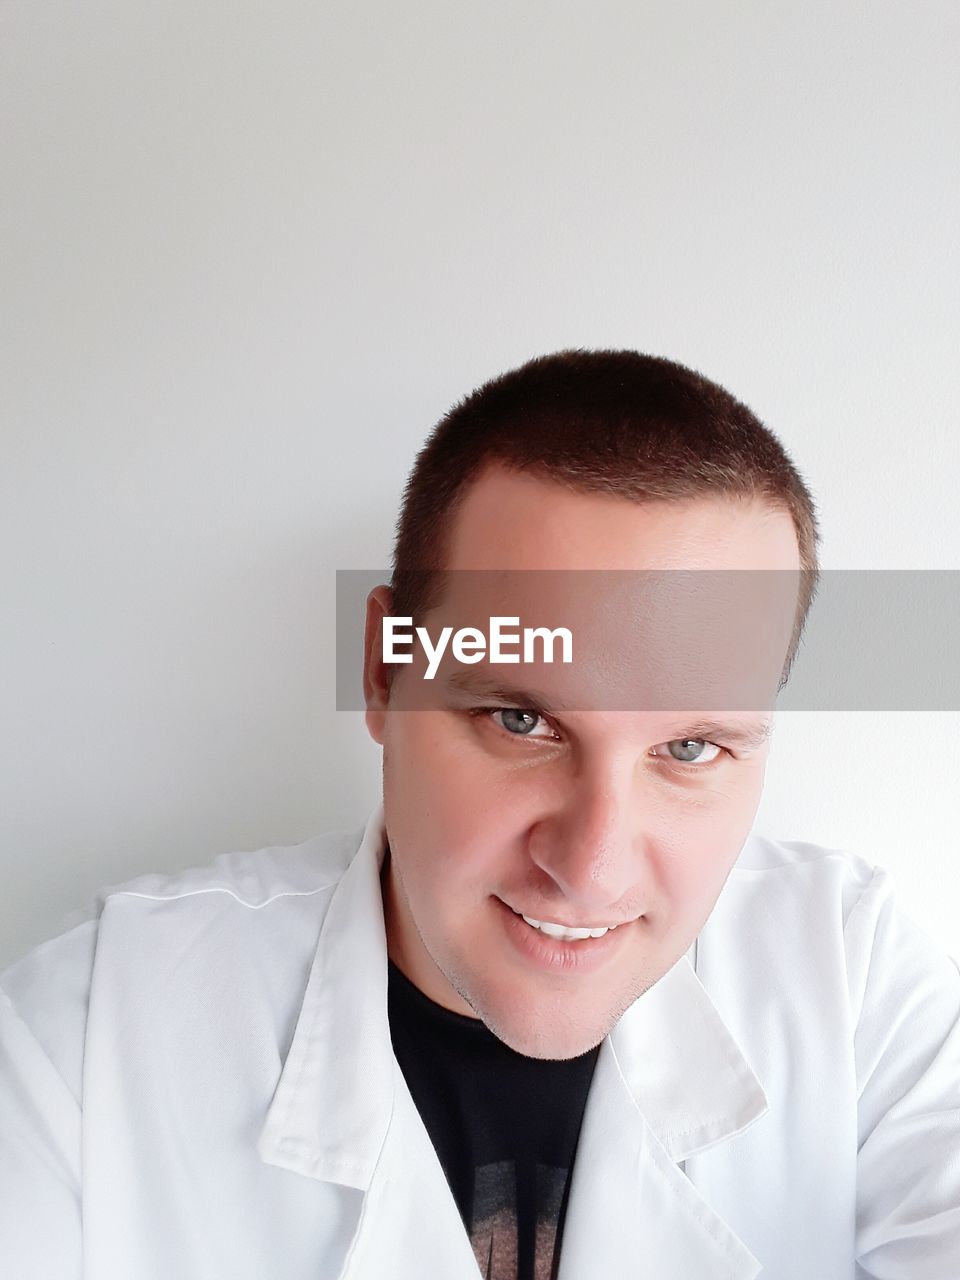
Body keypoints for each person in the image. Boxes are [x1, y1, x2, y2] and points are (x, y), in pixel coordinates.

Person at [1, 350, 958, 1280]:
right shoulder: (87, 1043)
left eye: (691, 748)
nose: (592, 867)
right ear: (384, 671)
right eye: (521, 719)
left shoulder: (857, 986)